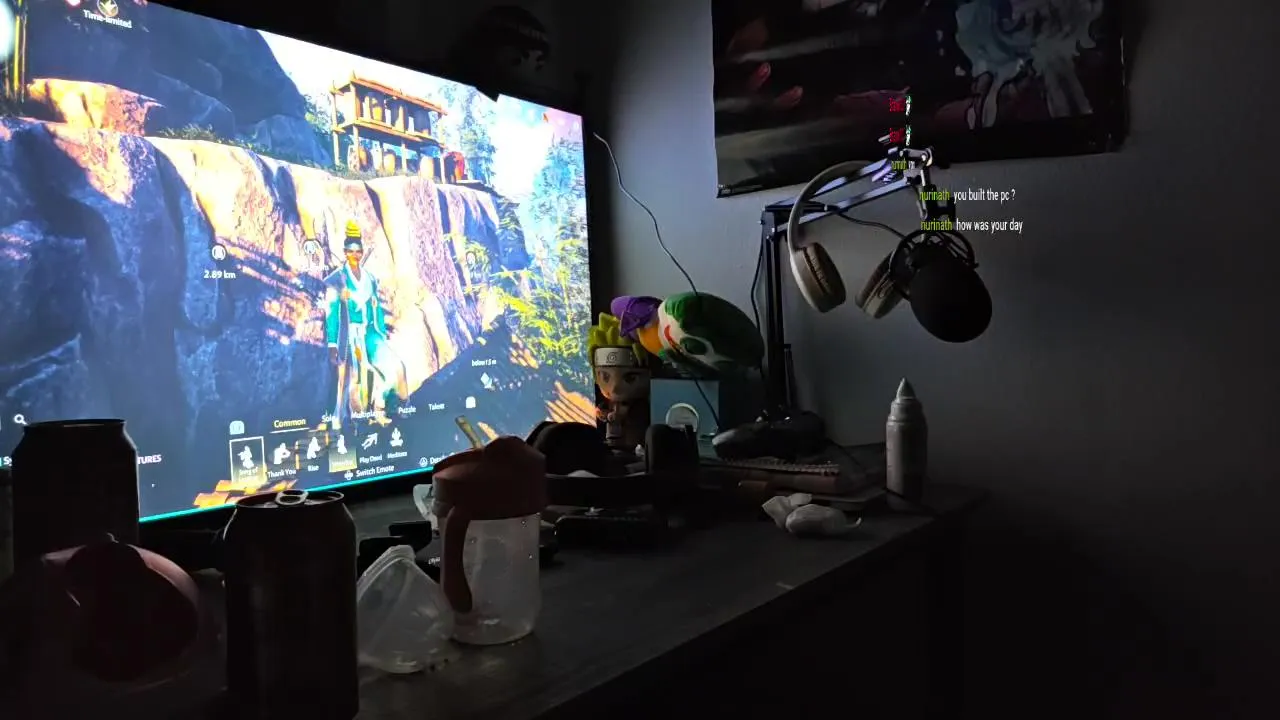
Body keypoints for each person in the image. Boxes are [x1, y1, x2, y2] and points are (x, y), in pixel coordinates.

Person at [324, 221, 409, 427]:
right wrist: (332, 344)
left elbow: (375, 308)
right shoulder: (337, 279)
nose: (355, 254)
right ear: (345, 252)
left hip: (370, 333)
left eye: (358, 251)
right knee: (355, 380)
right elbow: (332, 314)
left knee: (396, 366)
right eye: (351, 251)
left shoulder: (370, 278)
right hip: (348, 337)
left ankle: (386, 405)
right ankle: (354, 421)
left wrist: (380, 331)